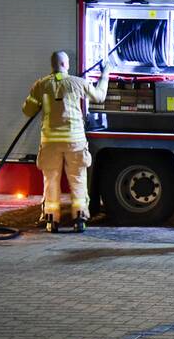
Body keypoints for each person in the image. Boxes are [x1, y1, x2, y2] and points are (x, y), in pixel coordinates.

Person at [22, 50, 109, 233]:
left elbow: (28, 111)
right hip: (74, 141)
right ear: (66, 64)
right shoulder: (78, 83)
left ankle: (51, 220)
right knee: (77, 179)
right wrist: (105, 74)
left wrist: (38, 99)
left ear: (52, 65)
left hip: (50, 143)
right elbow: (100, 96)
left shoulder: (41, 85)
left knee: (51, 181)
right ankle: (79, 219)